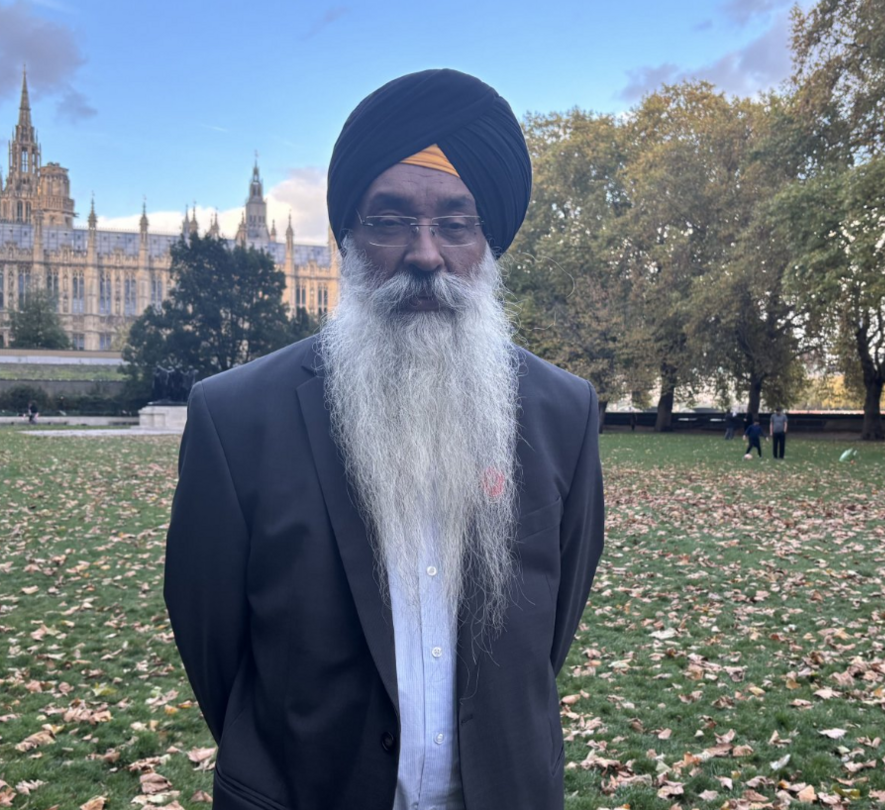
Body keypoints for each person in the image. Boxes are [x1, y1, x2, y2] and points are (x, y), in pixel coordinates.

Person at [164, 69, 605, 810]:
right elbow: (214, 644)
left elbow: (549, 634)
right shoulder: (236, 419)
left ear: (486, 242)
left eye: (455, 225)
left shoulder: (562, 412)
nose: (425, 253)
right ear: (348, 239)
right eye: (391, 220)